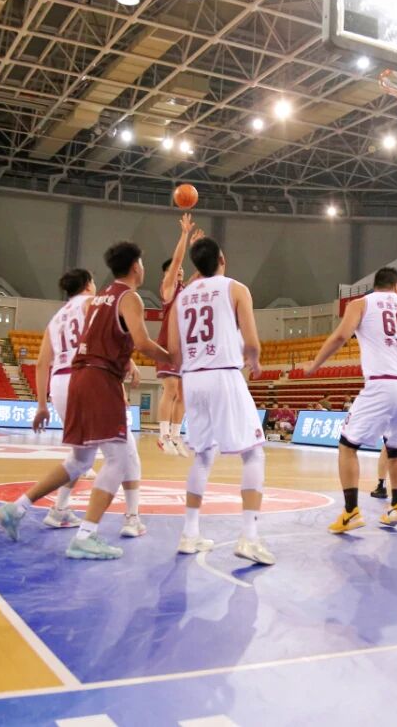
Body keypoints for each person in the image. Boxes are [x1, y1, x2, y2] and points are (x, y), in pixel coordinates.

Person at [0, 242, 172, 560]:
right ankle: (94, 532)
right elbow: (138, 340)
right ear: (135, 266)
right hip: (96, 377)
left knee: (80, 460)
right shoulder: (115, 298)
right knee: (120, 457)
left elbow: (43, 362)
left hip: (68, 380)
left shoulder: (72, 310)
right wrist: (171, 359)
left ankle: (19, 508)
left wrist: (42, 403)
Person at [164, 236, 274, 565]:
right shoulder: (236, 288)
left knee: (202, 456)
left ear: (196, 265)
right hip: (224, 374)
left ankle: (190, 533)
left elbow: (174, 351)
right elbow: (251, 341)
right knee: (253, 453)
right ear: (222, 259)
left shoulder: (181, 298)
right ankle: (249, 538)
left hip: (193, 379)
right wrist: (254, 360)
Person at [307, 266, 397, 533]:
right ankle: (396, 507)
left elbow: (341, 336)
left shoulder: (361, 303)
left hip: (383, 383)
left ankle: (351, 512)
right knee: (396, 447)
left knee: (347, 445)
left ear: (375, 285)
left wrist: (315, 364)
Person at [27, 267, 142, 531]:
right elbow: (103, 341)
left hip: (59, 384)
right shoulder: (93, 303)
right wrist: (126, 366)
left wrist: (42, 405)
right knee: (125, 451)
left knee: (81, 454)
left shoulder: (56, 319)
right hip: (87, 376)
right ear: (89, 284)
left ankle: (59, 508)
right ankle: (131, 517)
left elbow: (42, 363)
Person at [155, 214, 202, 456]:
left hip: (185, 349)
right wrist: (184, 235)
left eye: (183, 269)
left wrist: (198, 249)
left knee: (184, 394)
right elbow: (177, 261)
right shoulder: (168, 288)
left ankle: (175, 435)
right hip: (168, 345)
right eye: (176, 269)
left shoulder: (185, 288)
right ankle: (162, 435)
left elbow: (201, 274)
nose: (180, 270)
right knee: (171, 389)